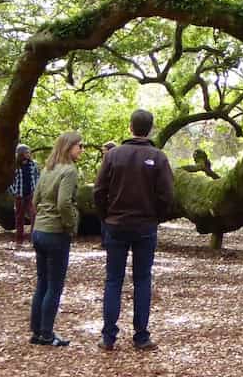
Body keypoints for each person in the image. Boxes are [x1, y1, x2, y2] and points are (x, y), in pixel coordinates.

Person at [94, 109, 175, 352]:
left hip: (117, 225)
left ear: (130, 127)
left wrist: (106, 216)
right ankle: (141, 336)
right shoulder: (158, 157)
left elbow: (99, 191)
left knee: (113, 280)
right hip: (144, 226)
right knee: (142, 280)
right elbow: (168, 195)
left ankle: (108, 337)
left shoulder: (113, 156)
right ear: (150, 129)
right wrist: (156, 217)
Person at [29, 132, 84, 346]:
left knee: (42, 282)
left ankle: (36, 331)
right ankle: (47, 334)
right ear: (69, 146)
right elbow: (63, 203)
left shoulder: (47, 169)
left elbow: (35, 200)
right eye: (79, 145)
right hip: (55, 233)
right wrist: (72, 225)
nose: (81, 149)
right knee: (54, 285)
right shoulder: (69, 171)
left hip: (39, 232)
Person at [10, 143, 41, 247]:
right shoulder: (14, 166)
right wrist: (15, 192)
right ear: (20, 154)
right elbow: (10, 181)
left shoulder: (33, 164)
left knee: (34, 215)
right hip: (19, 195)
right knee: (19, 218)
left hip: (31, 194)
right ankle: (19, 241)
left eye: (29, 152)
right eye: (26, 152)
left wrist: (36, 190)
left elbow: (37, 177)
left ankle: (33, 239)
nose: (28, 154)